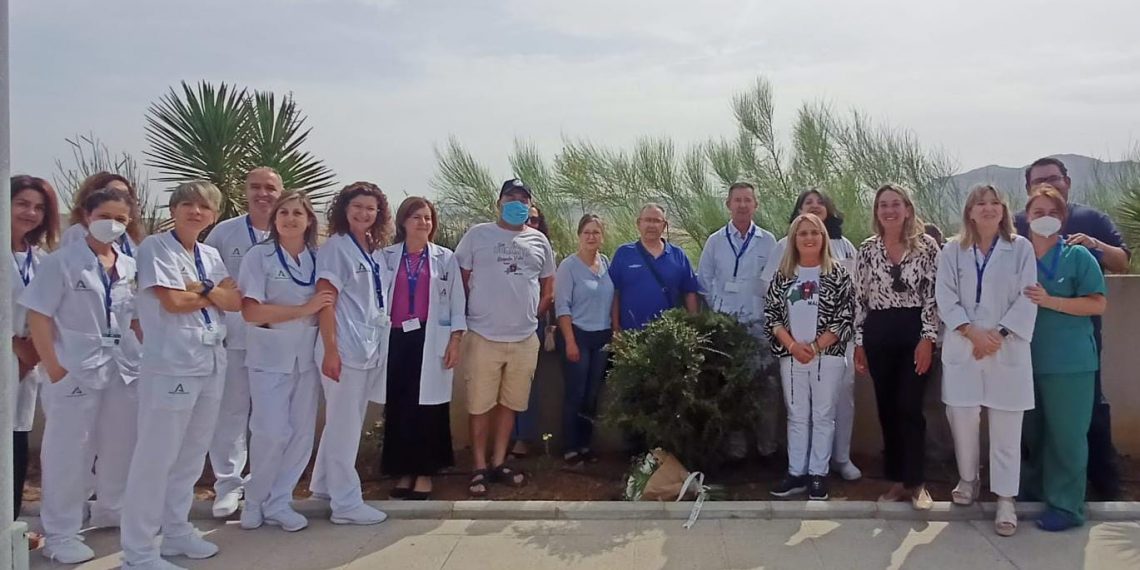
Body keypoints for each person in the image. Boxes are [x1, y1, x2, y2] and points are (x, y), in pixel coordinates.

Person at [120, 181, 241, 569]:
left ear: (215, 216)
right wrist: (211, 292)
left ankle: (176, 530)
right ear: (173, 209)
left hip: (209, 362)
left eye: (204, 207)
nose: (195, 212)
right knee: (156, 457)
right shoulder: (156, 248)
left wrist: (200, 288)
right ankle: (138, 551)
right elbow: (172, 302)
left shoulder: (209, 254)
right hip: (172, 363)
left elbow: (235, 301)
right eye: (187, 204)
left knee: (191, 455)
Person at [23, 185, 140, 564]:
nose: (112, 224)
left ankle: (110, 508)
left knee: (119, 445)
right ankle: (61, 532)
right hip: (73, 369)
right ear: (87, 217)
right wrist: (54, 368)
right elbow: (38, 315)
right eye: (105, 216)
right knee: (68, 453)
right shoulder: (61, 262)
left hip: (120, 368)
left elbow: (132, 319)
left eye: (120, 219)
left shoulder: (127, 265)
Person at [1013, 156, 1130, 499]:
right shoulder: (1018, 235)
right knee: (1034, 426)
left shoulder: (1089, 226)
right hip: (1029, 349)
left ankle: (1100, 490)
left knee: (1082, 421)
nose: (1044, 217)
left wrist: (1093, 244)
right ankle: (1035, 493)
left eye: (1053, 178)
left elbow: (1121, 263)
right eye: (1038, 181)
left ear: (1067, 181)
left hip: (1076, 348)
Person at [935, 184, 1037, 537]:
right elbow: (944, 295)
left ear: (1004, 210)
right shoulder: (952, 250)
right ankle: (969, 478)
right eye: (981, 203)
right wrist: (972, 333)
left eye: (996, 203)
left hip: (1005, 347)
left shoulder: (1020, 248)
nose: (989, 208)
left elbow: (1029, 296)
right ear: (970, 211)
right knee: (961, 415)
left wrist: (998, 336)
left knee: (1007, 424)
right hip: (965, 346)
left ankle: (1005, 497)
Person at [454, 179, 555, 497]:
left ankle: (499, 462)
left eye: (524, 199)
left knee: (510, 404)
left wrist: (530, 315)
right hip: (483, 336)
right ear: (499, 202)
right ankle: (479, 466)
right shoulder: (477, 235)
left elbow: (548, 285)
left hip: (524, 339)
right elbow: (460, 279)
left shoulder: (539, 240)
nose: (517, 203)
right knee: (480, 405)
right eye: (511, 197)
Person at [236, 192, 329, 532]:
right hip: (269, 354)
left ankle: (280, 501)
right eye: (284, 212)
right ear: (274, 219)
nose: (291, 219)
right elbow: (251, 310)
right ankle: (255, 497)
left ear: (309, 220)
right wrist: (303, 310)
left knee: (301, 435)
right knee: (271, 432)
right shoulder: (259, 256)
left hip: (306, 356)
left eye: (298, 213)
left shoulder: (318, 257)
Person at [1020, 185, 1107, 531]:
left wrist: (1051, 302)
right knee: (1031, 433)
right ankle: (1032, 495)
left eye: (1052, 213)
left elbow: (1098, 303)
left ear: (1063, 218)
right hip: (1024, 361)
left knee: (1067, 436)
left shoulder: (1077, 257)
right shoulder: (1018, 256)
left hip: (1069, 364)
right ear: (1027, 217)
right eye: (1038, 213)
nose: (1045, 219)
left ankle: (1067, 507)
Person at [308, 182, 393, 525]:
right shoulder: (336, 249)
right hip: (343, 349)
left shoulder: (371, 249)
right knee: (345, 427)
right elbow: (325, 301)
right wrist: (331, 350)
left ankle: (324, 487)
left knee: (345, 423)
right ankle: (346, 504)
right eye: (357, 206)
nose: (364, 213)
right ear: (344, 209)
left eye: (370, 208)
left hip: (366, 347)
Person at [762, 188, 862, 480]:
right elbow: (772, 314)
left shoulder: (839, 272)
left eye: (814, 233)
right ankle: (796, 472)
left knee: (823, 415)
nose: (808, 238)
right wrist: (793, 346)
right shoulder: (784, 273)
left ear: (823, 237)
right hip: (791, 357)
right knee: (797, 416)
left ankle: (819, 474)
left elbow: (846, 314)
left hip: (828, 355)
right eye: (802, 233)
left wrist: (817, 346)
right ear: (794, 238)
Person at [853, 184, 939, 510]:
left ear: (907, 208)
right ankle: (896, 482)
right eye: (883, 205)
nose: (889, 210)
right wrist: (860, 342)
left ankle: (917, 483)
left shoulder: (927, 247)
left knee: (910, 406)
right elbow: (859, 299)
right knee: (887, 408)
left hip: (914, 330)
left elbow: (933, 297)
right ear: (877, 212)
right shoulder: (867, 250)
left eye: (895, 204)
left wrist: (928, 339)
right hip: (879, 332)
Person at [204, 167, 283, 518]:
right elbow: (203, 278)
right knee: (231, 414)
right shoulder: (225, 232)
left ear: (281, 193)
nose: (263, 194)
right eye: (256, 187)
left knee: (269, 417)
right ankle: (227, 485)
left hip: (276, 339)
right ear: (245, 190)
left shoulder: (291, 231)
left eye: (270, 188)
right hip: (234, 337)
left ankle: (263, 482)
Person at [376, 197, 465, 499]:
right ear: (403, 222)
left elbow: (456, 303)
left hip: (431, 340)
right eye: (416, 217)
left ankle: (425, 473)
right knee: (399, 406)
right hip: (396, 338)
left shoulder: (445, 258)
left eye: (427, 218)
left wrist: (455, 340)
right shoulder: (384, 257)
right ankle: (403, 472)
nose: (423, 223)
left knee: (429, 407)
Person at [697, 182, 779, 460]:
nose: (742, 205)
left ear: (755, 205)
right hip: (726, 329)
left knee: (765, 388)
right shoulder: (715, 241)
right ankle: (736, 452)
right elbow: (704, 279)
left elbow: (776, 282)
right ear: (728, 204)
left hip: (759, 327)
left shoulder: (768, 242)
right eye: (737, 200)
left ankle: (767, 450)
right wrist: (718, 307)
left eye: (748, 200)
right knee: (728, 388)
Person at [9, 176, 59, 550]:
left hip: (27, 366)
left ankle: (9, 528)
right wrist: (15, 346)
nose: (31, 213)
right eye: (22, 203)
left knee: (15, 446)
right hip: (13, 355)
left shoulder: (39, 259)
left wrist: (34, 353)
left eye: (39, 207)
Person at [554, 214, 614, 465]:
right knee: (576, 393)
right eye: (587, 232)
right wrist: (569, 341)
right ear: (579, 235)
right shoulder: (568, 266)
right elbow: (562, 307)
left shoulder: (606, 263)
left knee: (592, 395)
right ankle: (570, 447)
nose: (591, 237)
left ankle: (585, 445)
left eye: (596, 232)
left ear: (602, 237)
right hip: (576, 334)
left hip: (602, 336)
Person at [610, 203, 700, 332]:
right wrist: (615, 327)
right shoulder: (623, 253)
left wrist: (693, 326)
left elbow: (690, 292)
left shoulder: (678, 255)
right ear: (638, 223)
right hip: (631, 333)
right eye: (647, 220)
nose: (652, 225)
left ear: (664, 225)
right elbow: (615, 293)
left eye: (657, 221)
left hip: (669, 334)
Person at [510, 204, 553, 459]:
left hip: (532, 326)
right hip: (499, 327)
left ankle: (523, 438)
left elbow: (550, 289)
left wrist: (534, 313)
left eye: (535, 220)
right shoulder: (503, 247)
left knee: (528, 383)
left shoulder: (544, 249)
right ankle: (505, 437)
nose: (531, 223)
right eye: (526, 219)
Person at [60, 171, 144, 256]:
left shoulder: (126, 237)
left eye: (125, 194)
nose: (119, 198)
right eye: (113, 192)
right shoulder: (77, 232)